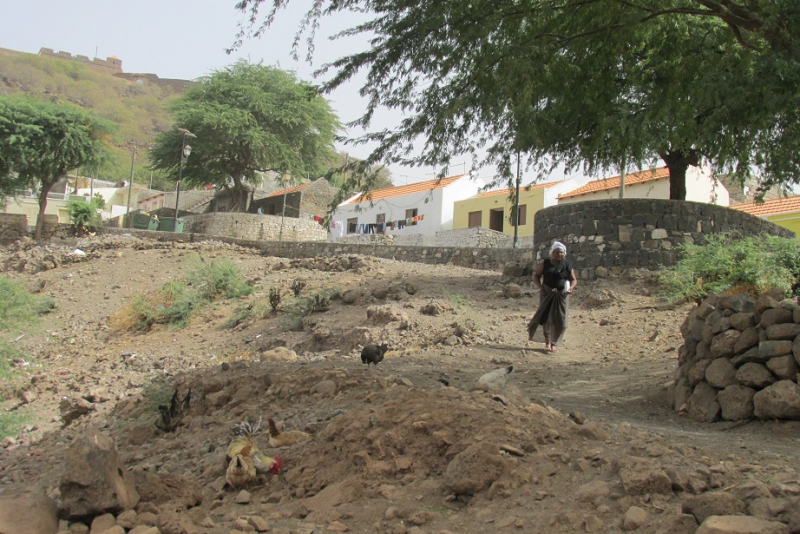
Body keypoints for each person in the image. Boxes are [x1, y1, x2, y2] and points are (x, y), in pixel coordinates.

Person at [528, 240, 577, 352]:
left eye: (561, 252)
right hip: (547, 294)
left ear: (564, 253)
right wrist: (541, 288)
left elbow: (573, 279)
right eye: (557, 252)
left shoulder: (567, 264)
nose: (559, 254)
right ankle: (547, 343)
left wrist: (571, 288)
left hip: (562, 295)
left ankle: (554, 342)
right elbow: (536, 275)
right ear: (552, 253)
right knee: (546, 319)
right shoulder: (546, 263)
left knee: (562, 321)